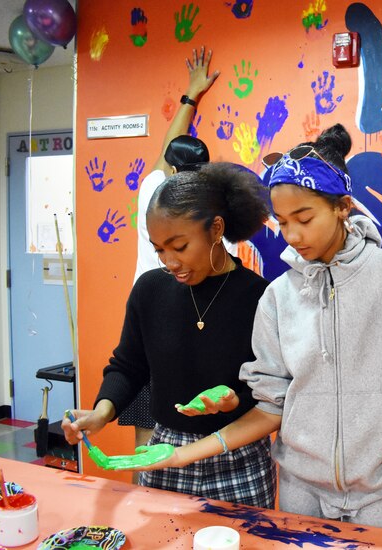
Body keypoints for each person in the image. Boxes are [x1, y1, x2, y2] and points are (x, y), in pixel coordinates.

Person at [127, 124, 382, 533]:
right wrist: (180, 456)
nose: (292, 236)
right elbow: (270, 406)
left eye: (304, 218)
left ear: (343, 206)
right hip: (300, 494)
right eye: (282, 222)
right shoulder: (278, 297)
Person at [62, 162, 276, 507]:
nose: (169, 261)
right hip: (165, 454)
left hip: (238, 456)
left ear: (216, 228)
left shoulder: (260, 296)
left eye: (179, 246)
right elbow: (128, 366)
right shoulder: (150, 290)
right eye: (159, 248)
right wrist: (101, 413)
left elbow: (269, 391)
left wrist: (235, 399)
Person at [121, 46, 221, 464]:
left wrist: (191, 96)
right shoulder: (210, 207)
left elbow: (168, 151)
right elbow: (170, 150)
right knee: (152, 447)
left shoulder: (157, 191)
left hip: (175, 329)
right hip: (161, 327)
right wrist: (191, 96)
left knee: (156, 445)